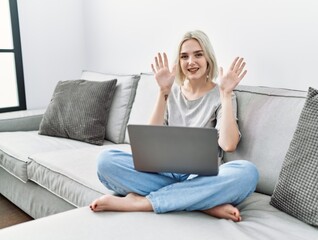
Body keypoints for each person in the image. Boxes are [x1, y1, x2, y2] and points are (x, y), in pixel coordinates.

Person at [90, 30, 259, 222]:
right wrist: (163, 91)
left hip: (202, 177)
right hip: (164, 171)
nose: (191, 62)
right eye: (184, 57)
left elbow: (229, 145)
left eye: (198, 54)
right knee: (106, 160)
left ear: (208, 58)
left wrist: (226, 94)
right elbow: (150, 142)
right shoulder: (171, 91)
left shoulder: (222, 94)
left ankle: (143, 202)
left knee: (247, 173)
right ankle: (203, 202)